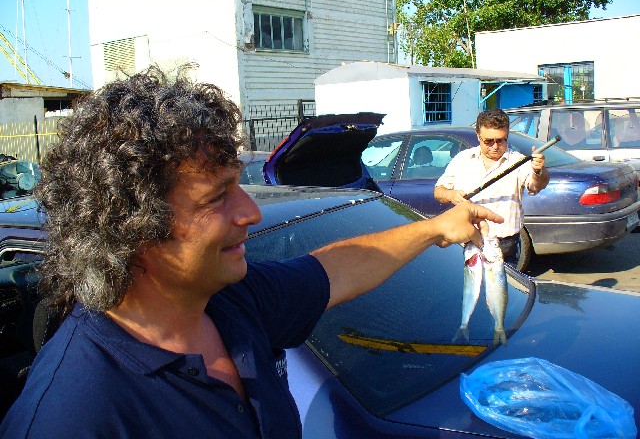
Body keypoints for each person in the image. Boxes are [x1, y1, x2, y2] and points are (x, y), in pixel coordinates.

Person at [0, 66, 502, 438]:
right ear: (132, 228)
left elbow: (334, 269)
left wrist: (435, 229)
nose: (251, 211)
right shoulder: (72, 414)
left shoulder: (231, 301)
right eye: (216, 197)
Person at [434, 108, 549, 267]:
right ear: (478, 136)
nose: (495, 146)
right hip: (465, 242)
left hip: (505, 245)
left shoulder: (518, 161)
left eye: (501, 140)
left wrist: (539, 171)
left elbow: (536, 186)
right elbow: (438, 191)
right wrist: (451, 195)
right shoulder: (462, 159)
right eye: (488, 141)